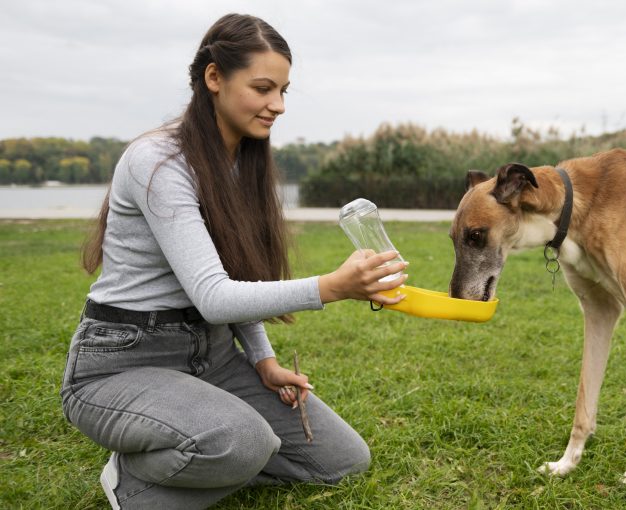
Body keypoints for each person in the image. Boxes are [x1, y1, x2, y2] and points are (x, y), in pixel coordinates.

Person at [60, 13, 409, 509]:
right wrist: (332, 286)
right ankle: (133, 477)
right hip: (122, 361)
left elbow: (235, 274)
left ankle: (199, 438)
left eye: (284, 90)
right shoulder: (157, 162)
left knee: (340, 461)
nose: (279, 105)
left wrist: (263, 361)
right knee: (244, 442)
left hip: (213, 355)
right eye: (264, 88)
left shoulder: (242, 161)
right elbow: (214, 295)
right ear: (214, 78)